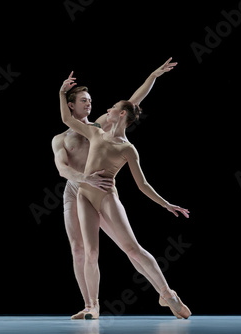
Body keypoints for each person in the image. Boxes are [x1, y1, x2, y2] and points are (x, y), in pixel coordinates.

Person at [52, 59, 180, 319]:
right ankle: (90, 305)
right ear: (71, 105)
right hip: (75, 190)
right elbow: (63, 170)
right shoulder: (60, 138)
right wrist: (83, 179)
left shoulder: (98, 127)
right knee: (80, 249)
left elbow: (132, 103)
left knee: (126, 246)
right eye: (84, 100)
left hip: (101, 190)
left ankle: (166, 293)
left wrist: (153, 75)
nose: (90, 103)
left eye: (90, 100)